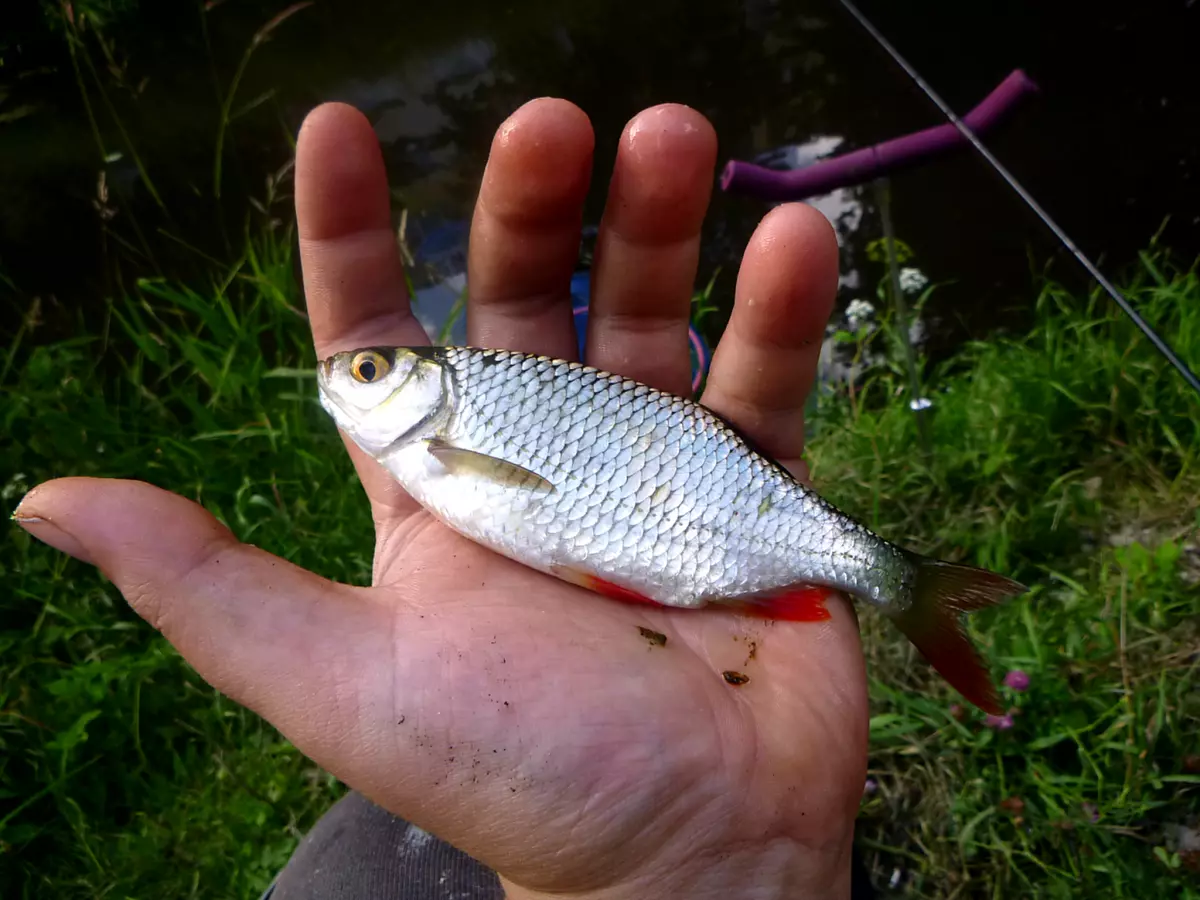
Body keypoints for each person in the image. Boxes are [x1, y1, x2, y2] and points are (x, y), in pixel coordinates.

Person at [14, 98, 878, 898]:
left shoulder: (450, 430)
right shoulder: (432, 446)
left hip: (702, 508)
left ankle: (885, 571)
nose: (347, 375)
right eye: (365, 365)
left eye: (368, 369)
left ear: (425, 389)